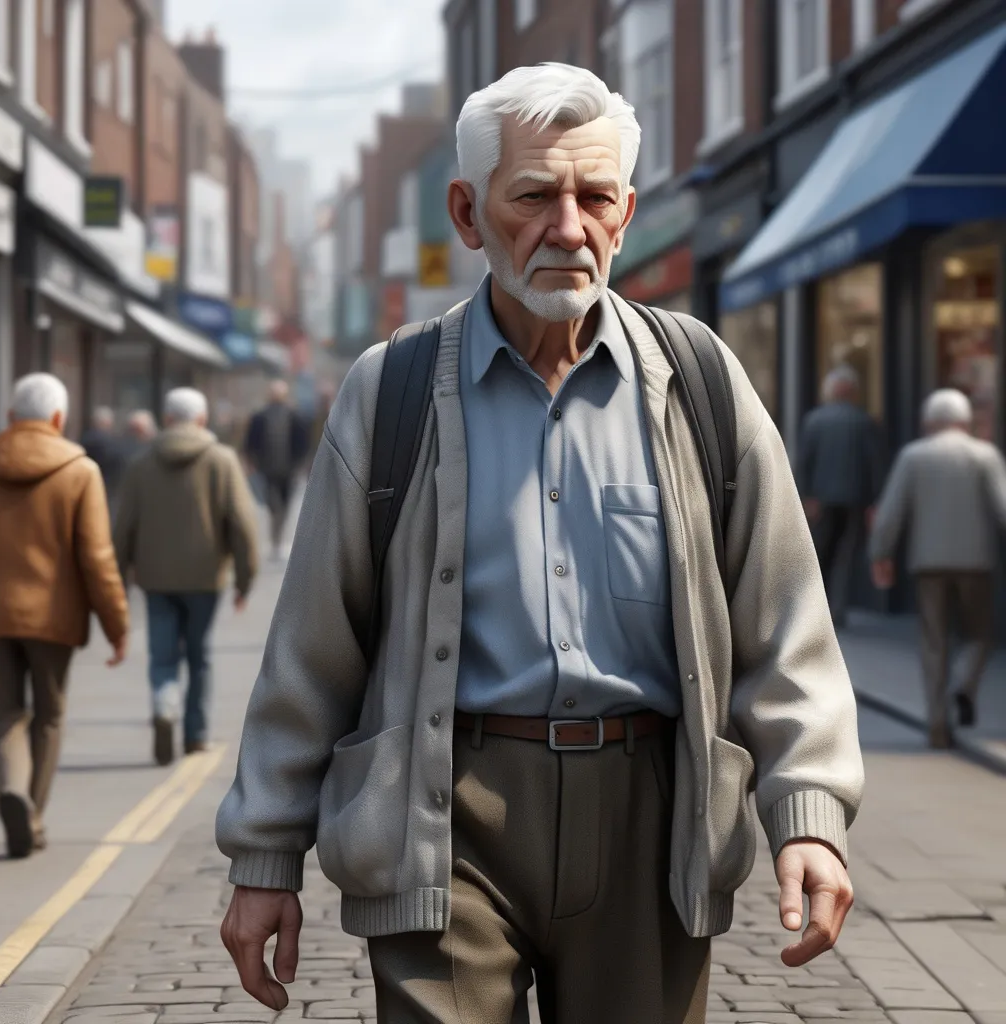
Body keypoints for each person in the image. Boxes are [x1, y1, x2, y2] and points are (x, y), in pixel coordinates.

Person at [216, 64, 863, 1023]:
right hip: (444, 815)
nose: (568, 228)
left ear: (627, 211)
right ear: (469, 214)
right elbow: (315, 646)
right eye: (534, 197)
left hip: (651, 817)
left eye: (595, 197)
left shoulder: (700, 383)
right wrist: (266, 854)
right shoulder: (388, 390)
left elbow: (784, 622)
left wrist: (807, 813)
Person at [0, 374, 129, 858]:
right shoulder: (79, 472)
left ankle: (12, 789)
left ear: (10, 419)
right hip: (53, 617)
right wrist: (116, 626)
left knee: (6, 716)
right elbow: (98, 558)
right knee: (48, 716)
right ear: (59, 419)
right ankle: (33, 814)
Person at [114, 388, 259, 767]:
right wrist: (245, 579)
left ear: (165, 419)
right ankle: (195, 735)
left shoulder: (141, 464)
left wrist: (118, 579)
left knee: (162, 656)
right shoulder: (222, 460)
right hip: (206, 578)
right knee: (199, 656)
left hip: (155, 578)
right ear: (202, 419)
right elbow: (243, 525)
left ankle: (164, 704)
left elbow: (122, 527)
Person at [870, 388, 1006, 748]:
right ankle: (963, 684)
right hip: (977, 563)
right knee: (979, 636)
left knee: (933, 643)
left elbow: (891, 512)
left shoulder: (914, 456)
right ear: (966, 421)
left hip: (928, 564)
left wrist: (880, 554)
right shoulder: (985, 455)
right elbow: (1003, 506)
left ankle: (938, 726)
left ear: (929, 422)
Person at [796, 365, 885, 627]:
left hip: (821, 501)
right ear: (853, 392)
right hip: (856, 499)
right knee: (846, 556)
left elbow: (804, 463)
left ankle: (815, 609)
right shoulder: (864, 422)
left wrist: (806, 496)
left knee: (819, 553)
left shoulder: (814, 420)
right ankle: (838, 609)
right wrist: (877, 501)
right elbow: (875, 464)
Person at [243, 380, 310, 559]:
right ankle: (275, 538)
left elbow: (303, 442)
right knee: (274, 505)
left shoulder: (294, 416)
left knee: (286, 504)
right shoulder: (260, 416)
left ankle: (277, 539)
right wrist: (251, 462)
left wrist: (300, 463)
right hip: (267, 469)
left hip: (288, 469)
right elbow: (251, 441)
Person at [80, 405, 127, 510]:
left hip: (86, 490)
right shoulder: (115, 444)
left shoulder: (84, 441)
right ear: (108, 423)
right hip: (108, 492)